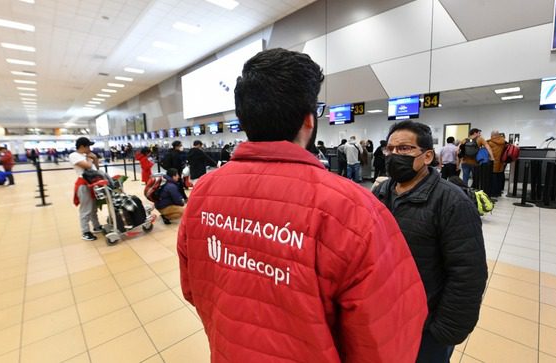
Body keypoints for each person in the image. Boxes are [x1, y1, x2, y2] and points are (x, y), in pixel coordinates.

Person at [177, 48, 427, 362]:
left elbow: (193, 288)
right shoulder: (354, 210)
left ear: (244, 119)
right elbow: (385, 338)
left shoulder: (203, 193)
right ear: (309, 121)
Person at [372, 120, 488, 363]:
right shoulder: (380, 194)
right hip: (384, 317)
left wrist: (444, 333)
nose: (394, 155)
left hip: (427, 328)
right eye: (390, 149)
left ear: (427, 157)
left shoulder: (452, 203)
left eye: (404, 149)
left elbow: (468, 274)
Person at [69, 137, 102, 241]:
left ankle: (96, 226)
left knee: (93, 208)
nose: (89, 148)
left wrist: (95, 159)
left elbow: (96, 169)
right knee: (86, 209)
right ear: (82, 146)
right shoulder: (74, 155)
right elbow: (87, 166)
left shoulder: (85, 156)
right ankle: (85, 231)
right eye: (88, 146)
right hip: (83, 184)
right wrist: (89, 158)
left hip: (93, 184)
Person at [487, 130, 506, 197]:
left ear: (493, 135)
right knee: (499, 177)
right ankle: (498, 192)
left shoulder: (490, 143)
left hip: (493, 162)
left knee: (493, 178)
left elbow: (487, 152)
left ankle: (493, 192)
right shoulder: (503, 141)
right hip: (500, 163)